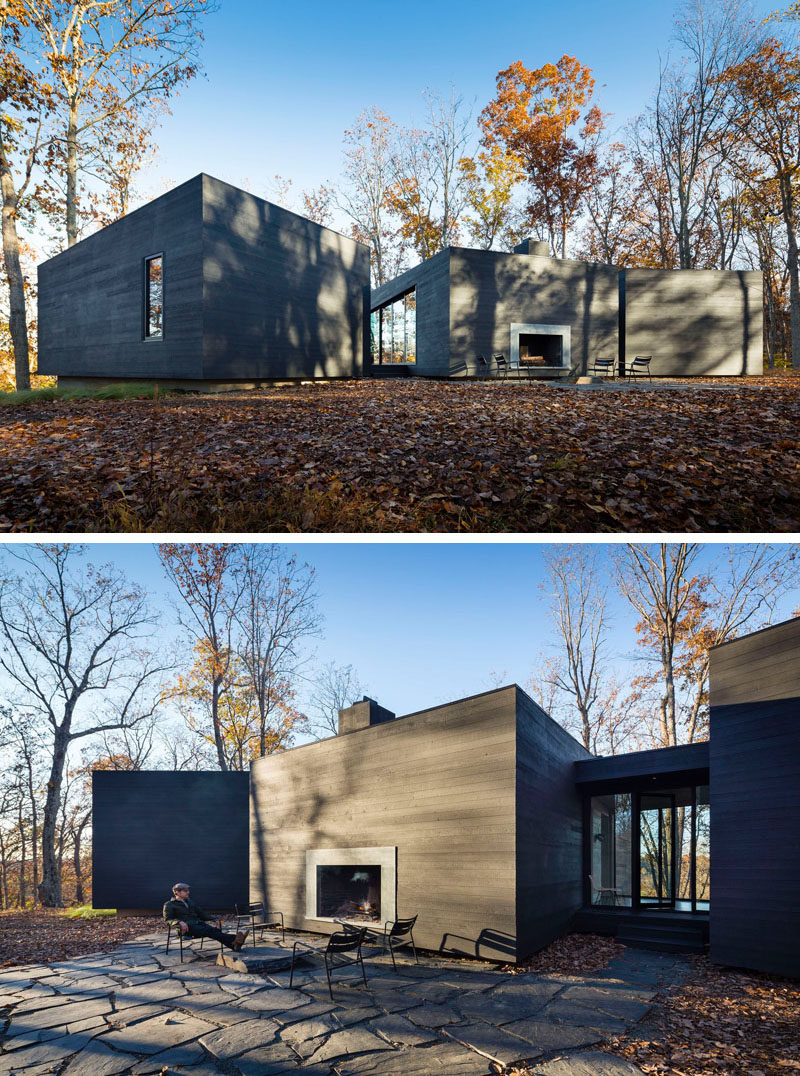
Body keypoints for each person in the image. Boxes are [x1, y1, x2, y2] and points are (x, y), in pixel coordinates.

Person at [163, 882, 248, 951]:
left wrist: (214, 920)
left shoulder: (190, 902)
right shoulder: (169, 905)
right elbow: (168, 920)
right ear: (177, 892)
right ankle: (235, 939)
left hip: (198, 924)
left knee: (213, 931)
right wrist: (179, 922)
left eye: (188, 890)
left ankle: (234, 945)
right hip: (186, 929)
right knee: (211, 931)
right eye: (185, 891)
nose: (188, 892)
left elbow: (202, 914)